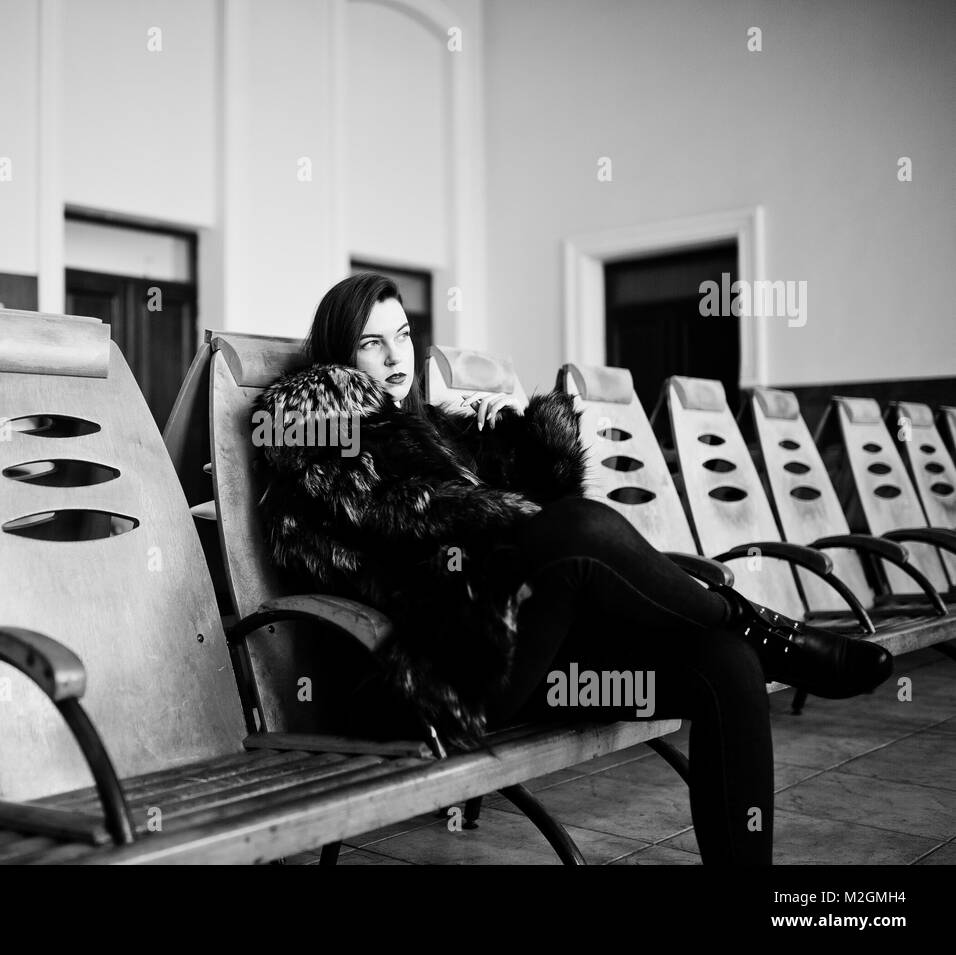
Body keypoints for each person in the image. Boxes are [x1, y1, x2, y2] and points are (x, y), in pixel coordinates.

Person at [250, 272, 893, 866]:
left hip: (529, 661)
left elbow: (514, 523)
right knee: (577, 526)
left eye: (404, 337)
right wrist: (455, 468)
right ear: (341, 355)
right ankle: (773, 634)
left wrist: (506, 444)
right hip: (436, 679)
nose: (396, 360)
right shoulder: (324, 445)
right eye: (372, 344)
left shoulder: (430, 434)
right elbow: (438, 534)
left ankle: (755, 651)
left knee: (726, 663)